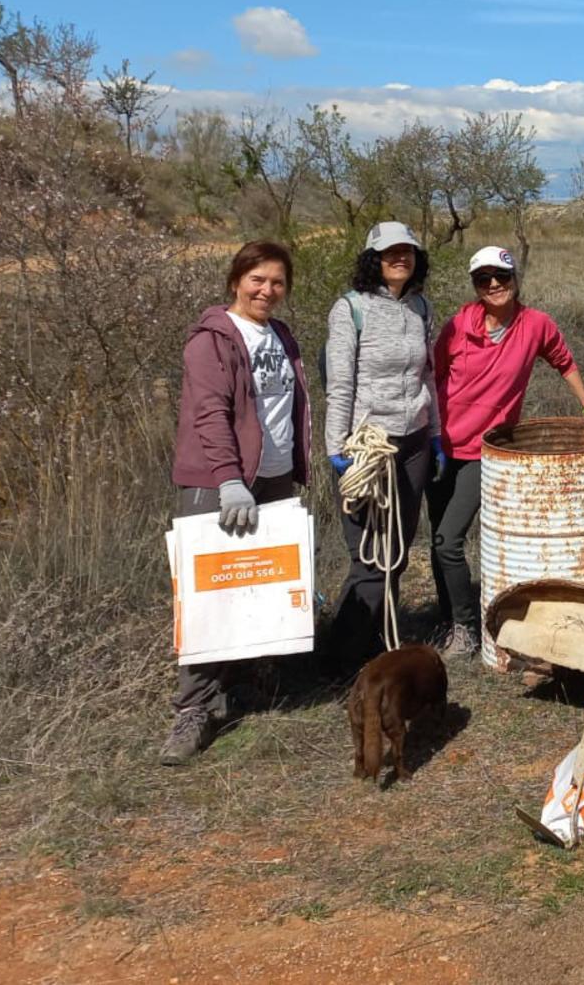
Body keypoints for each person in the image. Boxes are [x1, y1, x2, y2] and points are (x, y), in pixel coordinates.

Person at [430, 245, 584, 654]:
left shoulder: (535, 324)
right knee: (438, 541)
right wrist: (428, 435)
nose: (495, 285)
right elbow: (433, 379)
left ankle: (466, 630)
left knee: (449, 540)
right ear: (475, 285)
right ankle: (449, 619)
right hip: (443, 445)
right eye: (485, 279)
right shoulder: (457, 327)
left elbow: (564, 362)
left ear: (515, 279)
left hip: (484, 450)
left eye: (502, 277)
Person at [163, 239, 311, 764]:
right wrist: (229, 479)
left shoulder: (281, 336)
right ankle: (193, 712)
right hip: (220, 483)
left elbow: (285, 408)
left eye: (276, 282)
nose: (267, 290)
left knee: (257, 590)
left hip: (271, 482)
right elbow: (209, 413)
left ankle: (246, 686)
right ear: (236, 281)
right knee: (208, 598)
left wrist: (294, 468)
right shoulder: (212, 340)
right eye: (257, 280)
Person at [323, 222, 440, 664]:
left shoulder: (421, 307)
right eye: (390, 252)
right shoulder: (350, 309)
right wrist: (337, 447)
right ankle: (342, 658)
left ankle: (374, 637)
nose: (400, 258)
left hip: (413, 443)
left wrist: (435, 433)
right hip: (369, 445)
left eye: (407, 251)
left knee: (397, 550)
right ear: (374, 257)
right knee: (369, 555)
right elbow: (340, 383)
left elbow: (426, 374)